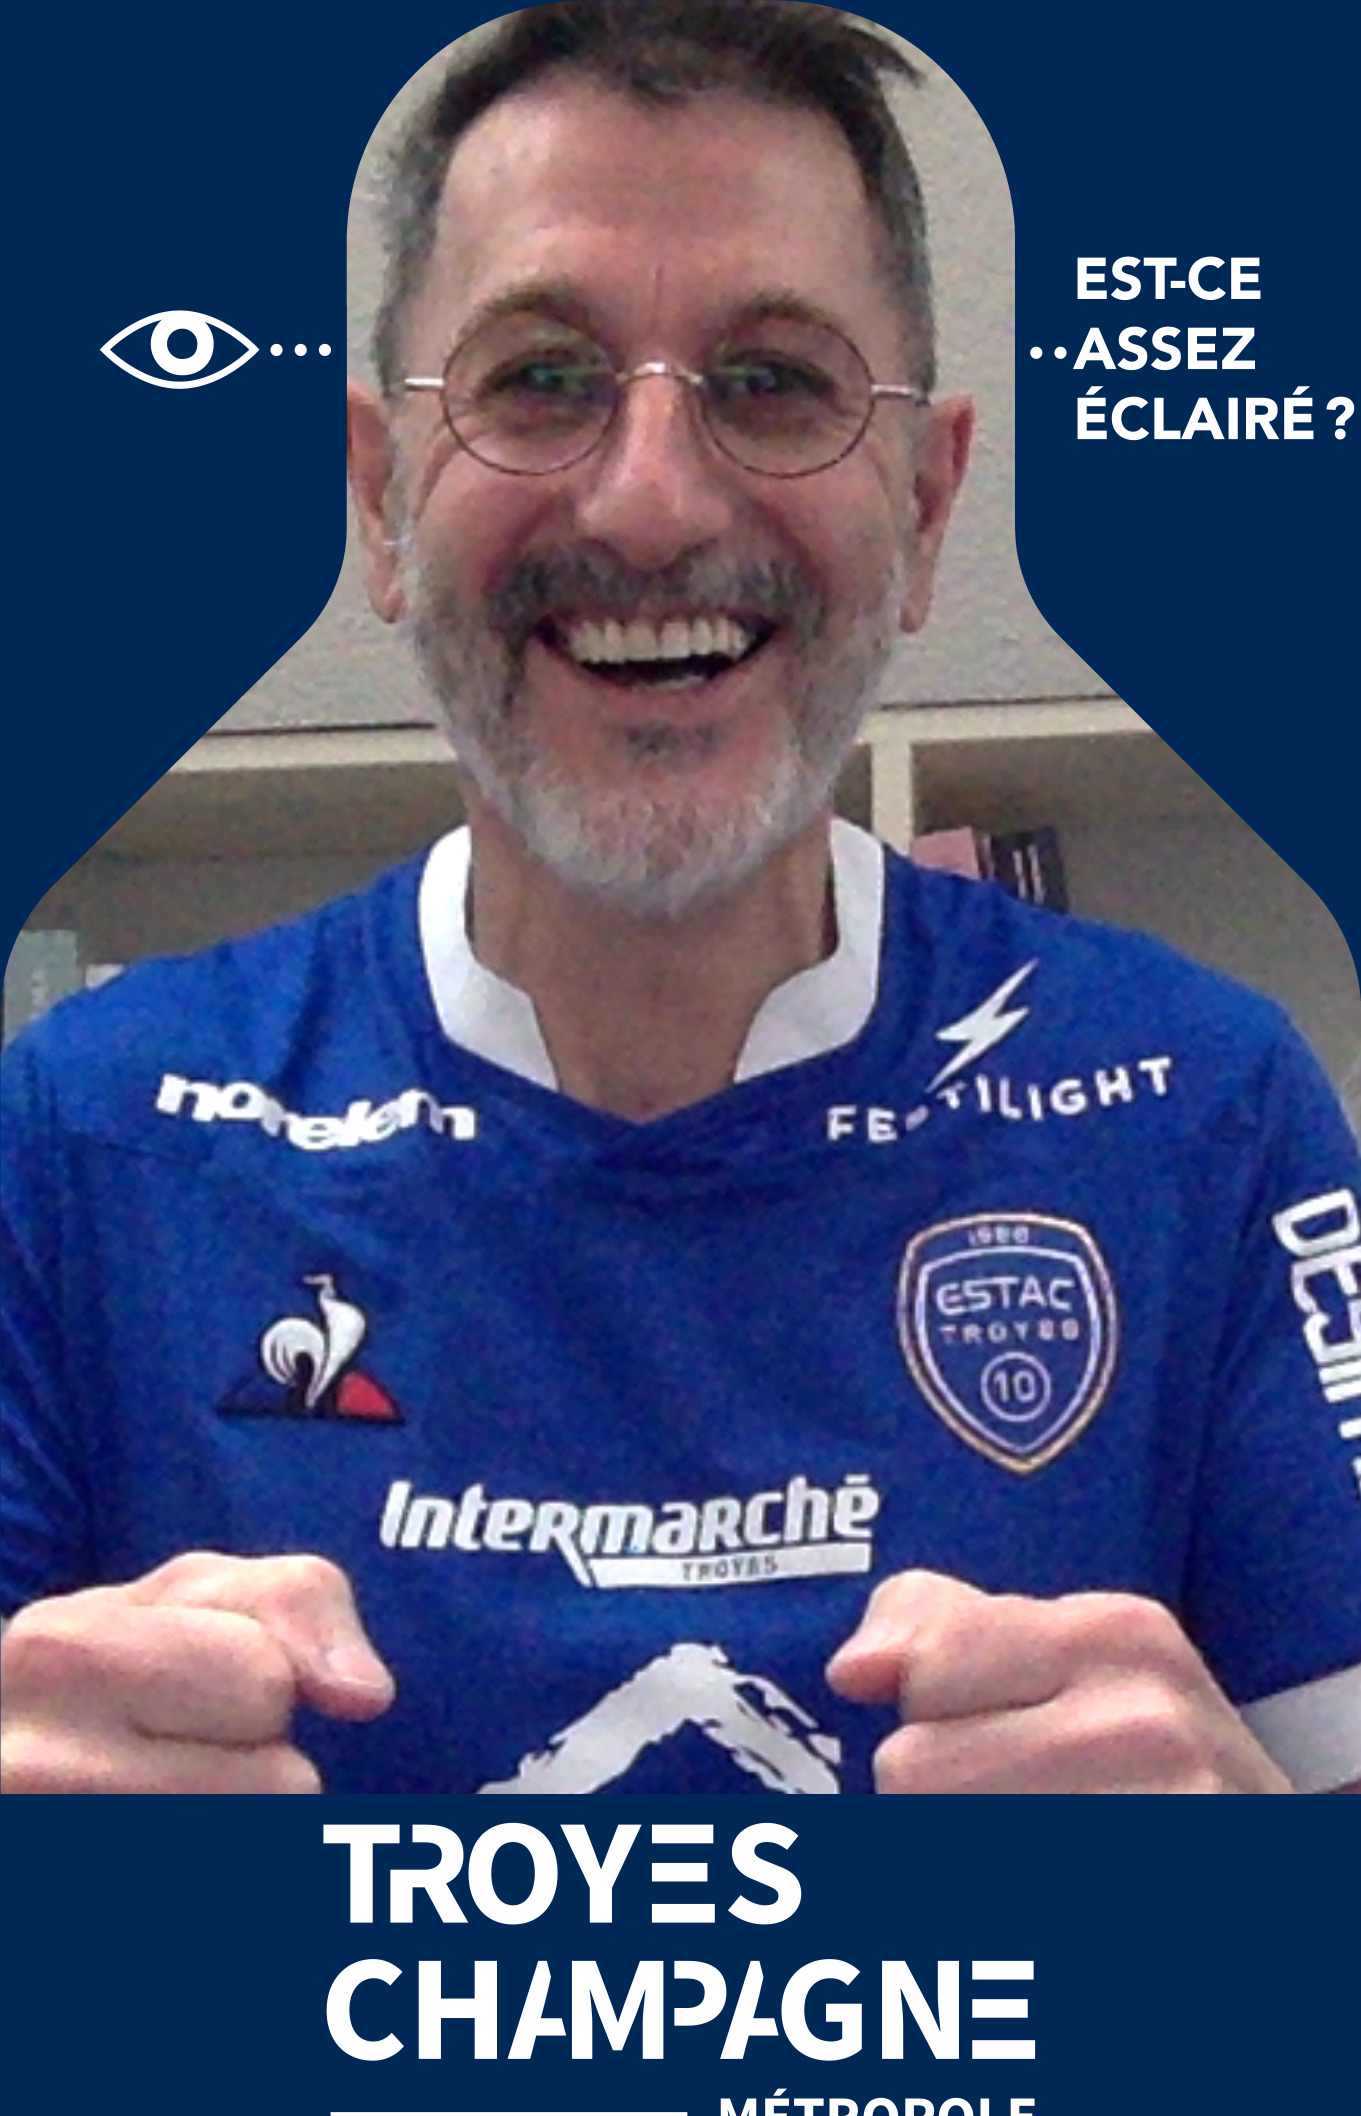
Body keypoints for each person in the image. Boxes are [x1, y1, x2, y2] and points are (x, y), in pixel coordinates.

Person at [3, 0, 1359, 1796]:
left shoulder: (1204, 1111)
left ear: (926, 503)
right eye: (539, 381)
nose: (648, 505)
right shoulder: (84, 1142)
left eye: (775, 383)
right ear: (382, 499)